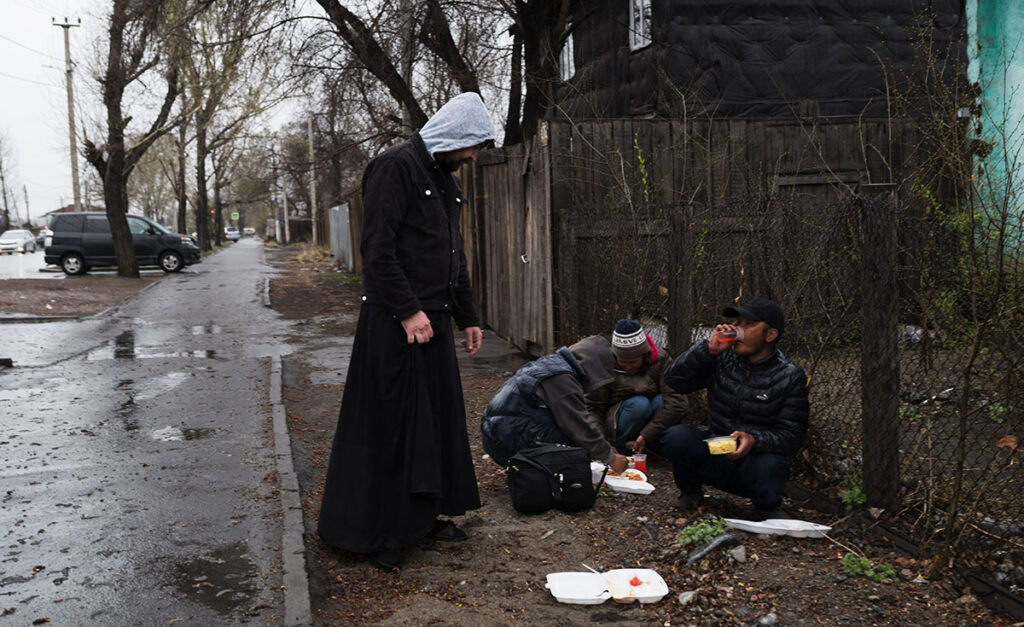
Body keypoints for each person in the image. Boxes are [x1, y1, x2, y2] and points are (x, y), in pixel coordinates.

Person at [317, 93, 495, 571]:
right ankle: (382, 531)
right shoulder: (394, 167)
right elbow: (377, 251)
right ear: (455, 135)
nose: (475, 155)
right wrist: (408, 312)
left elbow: (452, 256)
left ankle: (420, 518)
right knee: (393, 427)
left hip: (431, 322)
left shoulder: (443, 177)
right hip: (394, 325)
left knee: (432, 426)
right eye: (474, 144)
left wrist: (468, 315)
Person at [661, 297, 809, 520]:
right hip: (718, 447)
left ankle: (767, 508)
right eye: (737, 323)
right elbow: (674, 381)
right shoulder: (723, 358)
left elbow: (792, 436)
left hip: (753, 458)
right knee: (676, 436)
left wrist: (755, 440)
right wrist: (707, 351)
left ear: (770, 335)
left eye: (748, 324)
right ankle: (691, 493)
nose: (737, 330)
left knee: (772, 464)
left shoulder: (789, 376)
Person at [481, 335, 630, 474]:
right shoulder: (563, 380)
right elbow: (579, 426)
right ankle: (541, 471)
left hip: (496, 434)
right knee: (573, 440)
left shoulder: (553, 364)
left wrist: (603, 447)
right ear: (595, 367)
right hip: (505, 443)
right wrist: (610, 458)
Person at [584, 319, 689, 454]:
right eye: (623, 362)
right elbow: (592, 407)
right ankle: (620, 448)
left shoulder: (661, 360)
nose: (628, 367)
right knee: (639, 404)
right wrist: (602, 443)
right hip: (617, 422)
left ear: (644, 355)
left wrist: (647, 434)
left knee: (661, 401)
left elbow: (678, 402)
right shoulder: (604, 364)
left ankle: (652, 445)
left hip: (651, 428)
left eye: (633, 362)